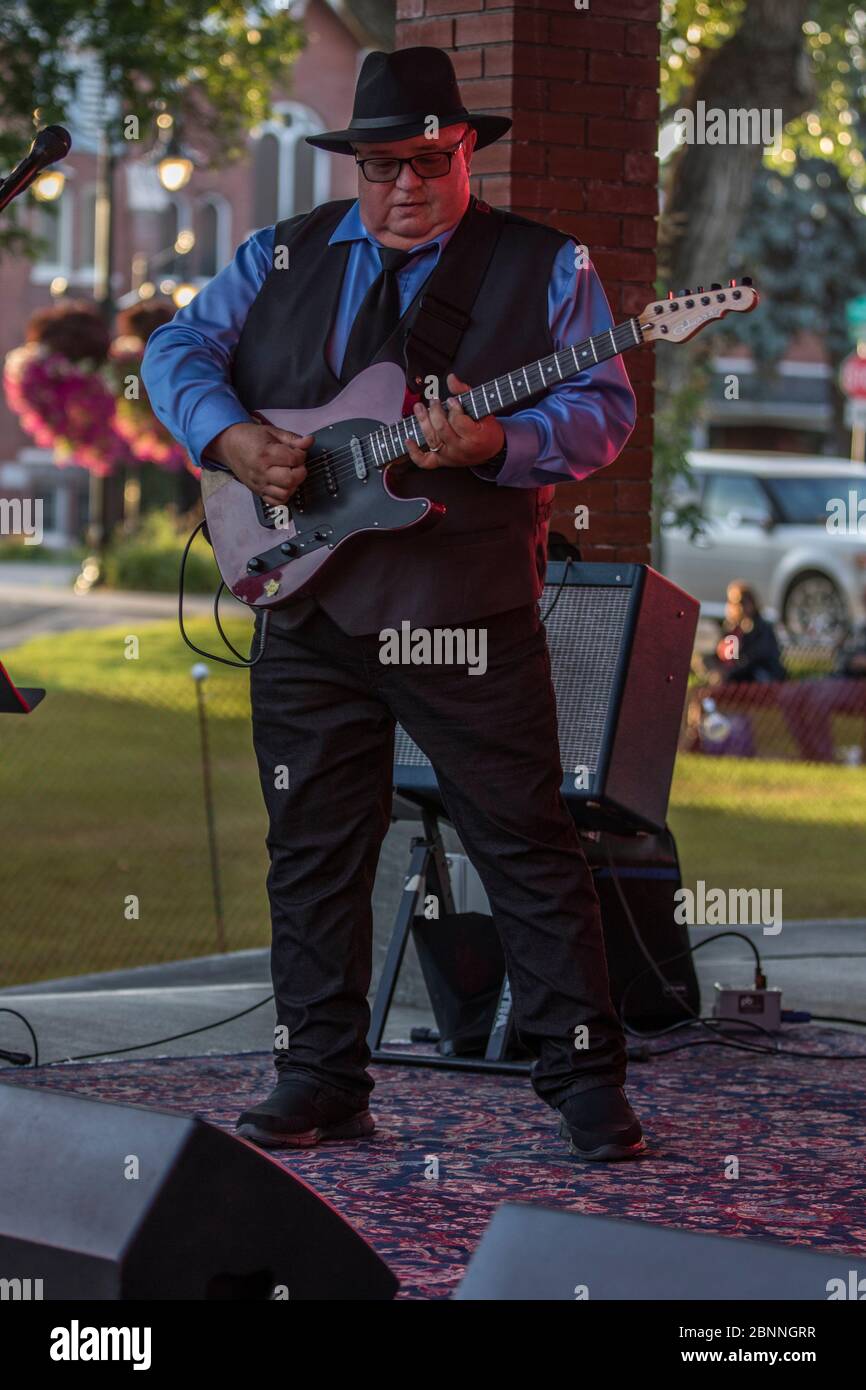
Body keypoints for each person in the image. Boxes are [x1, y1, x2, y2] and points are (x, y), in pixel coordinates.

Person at [142, 48, 643, 1161]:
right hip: (306, 600)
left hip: (460, 602)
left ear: (465, 153)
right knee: (311, 850)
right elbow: (175, 345)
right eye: (380, 166)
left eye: (427, 160)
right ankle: (319, 1074)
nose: (404, 186)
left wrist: (502, 439)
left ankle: (582, 1080)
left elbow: (604, 412)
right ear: (352, 163)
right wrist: (228, 435)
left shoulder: (546, 266)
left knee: (523, 840)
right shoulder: (278, 253)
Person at [709, 581, 786, 684]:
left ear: (752, 602)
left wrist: (730, 672)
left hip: (759, 677)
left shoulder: (762, 628)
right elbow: (718, 655)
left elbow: (754, 658)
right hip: (735, 676)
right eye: (733, 602)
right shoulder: (731, 629)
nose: (738, 607)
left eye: (742, 602)